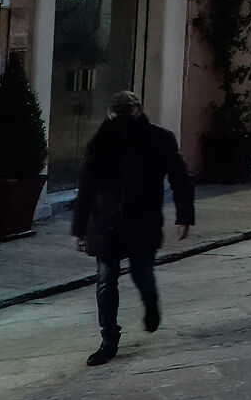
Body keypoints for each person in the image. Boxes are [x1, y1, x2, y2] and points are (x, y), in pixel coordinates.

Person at [70, 90, 194, 366]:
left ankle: (150, 305)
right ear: (112, 114)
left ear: (138, 110)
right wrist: (80, 227)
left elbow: (180, 178)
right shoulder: (101, 142)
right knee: (106, 280)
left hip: (142, 221)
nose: (124, 117)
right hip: (107, 222)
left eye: (129, 110)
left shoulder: (159, 139)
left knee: (142, 275)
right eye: (120, 112)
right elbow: (86, 188)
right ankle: (109, 339)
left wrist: (184, 214)